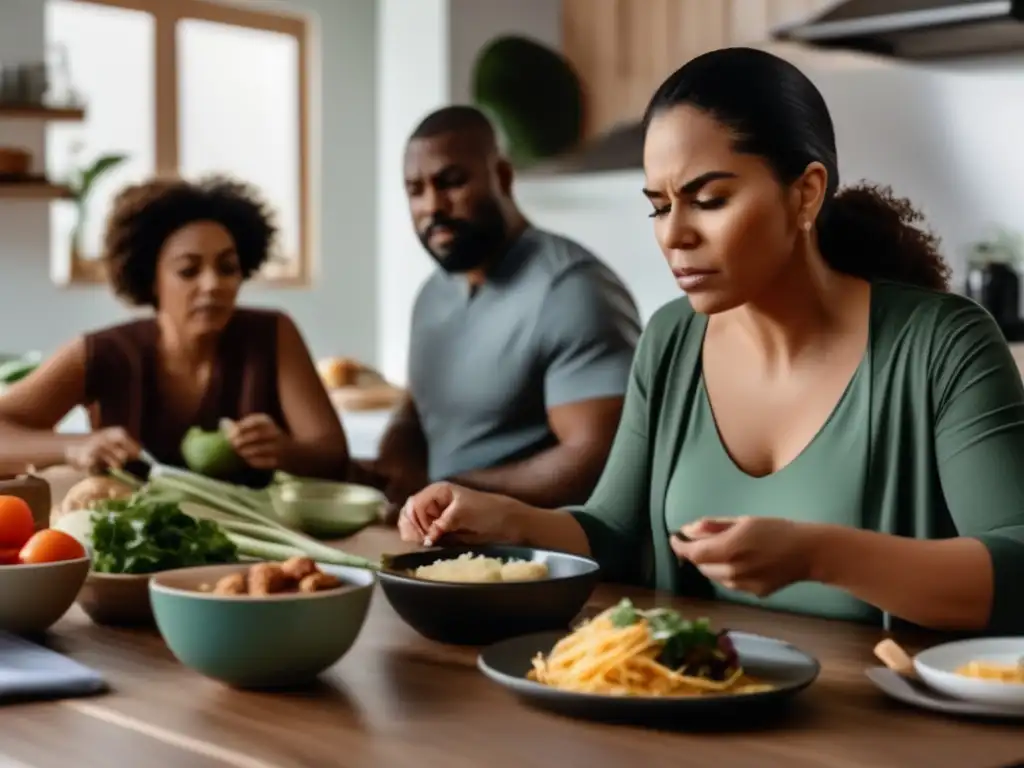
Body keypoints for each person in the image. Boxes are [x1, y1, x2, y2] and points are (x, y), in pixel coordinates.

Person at [398, 48, 1024, 635]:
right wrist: (505, 517)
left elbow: (1018, 564)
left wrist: (817, 552)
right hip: (693, 713)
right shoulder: (671, 339)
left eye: (709, 199)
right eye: (658, 206)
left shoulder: (945, 345)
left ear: (805, 193)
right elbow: (616, 532)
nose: (674, 235)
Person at [368, 106, 642, 510]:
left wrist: (457, 490)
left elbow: (597, 461)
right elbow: (420, 403)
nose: (432, 206)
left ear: (503, 177)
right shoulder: (432, 293)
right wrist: (397, 450)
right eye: (415, 190)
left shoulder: (572, 290)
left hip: (535, 555)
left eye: (452, 182)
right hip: (443, 539)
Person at [0, 175, 350, 487]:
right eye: (188, 270)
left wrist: (284, 451)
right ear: (152, 280)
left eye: (227, 268)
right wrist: (73, 446)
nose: (212, 284)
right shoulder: (101, 352)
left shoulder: (272, 334)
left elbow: (332, 455)